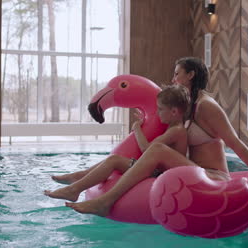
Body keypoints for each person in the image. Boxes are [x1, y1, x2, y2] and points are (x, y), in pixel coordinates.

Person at [63, 57, 248, 217]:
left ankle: (105, 201)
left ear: (190, 75)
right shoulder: (184, 106)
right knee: (143, 154)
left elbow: (235, 142)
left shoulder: (207, 106)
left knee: (158, 150)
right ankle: (78, 183)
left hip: (213, 176)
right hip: (190, 170)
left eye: (177, 73)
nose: (173, 77)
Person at [44, 84, 190, 202]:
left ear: (174, 112)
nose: (157, 113)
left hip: (158, 174)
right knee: (111, 159)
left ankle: (74, 190)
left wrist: (137, 129)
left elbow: (147, 149)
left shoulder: (175, 131)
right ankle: (79, 176)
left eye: (160, 109)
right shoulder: (174, 127)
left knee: (114, 160)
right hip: (157, 170)